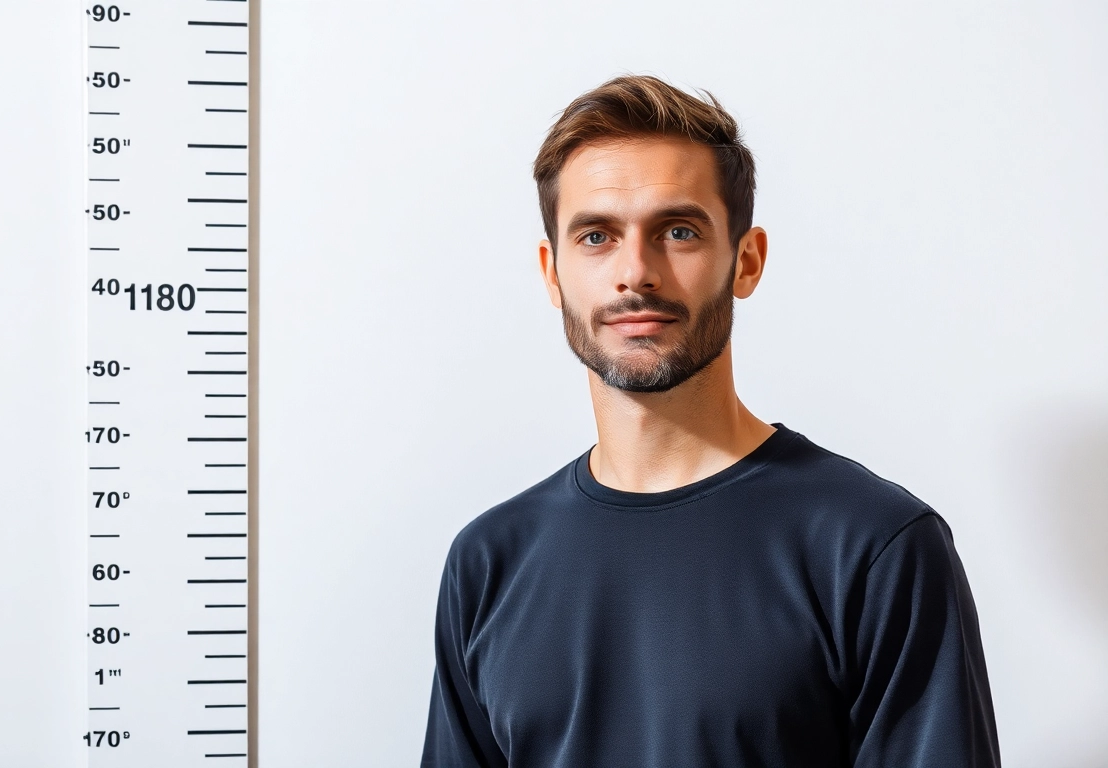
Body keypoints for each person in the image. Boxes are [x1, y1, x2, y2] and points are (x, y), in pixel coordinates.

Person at [419, 74, 1001, 767]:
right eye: (597, 236)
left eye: (679, 231)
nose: (636, 272)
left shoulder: (872, 547)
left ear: (745, 260)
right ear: (553, 273)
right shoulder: (489, 563)